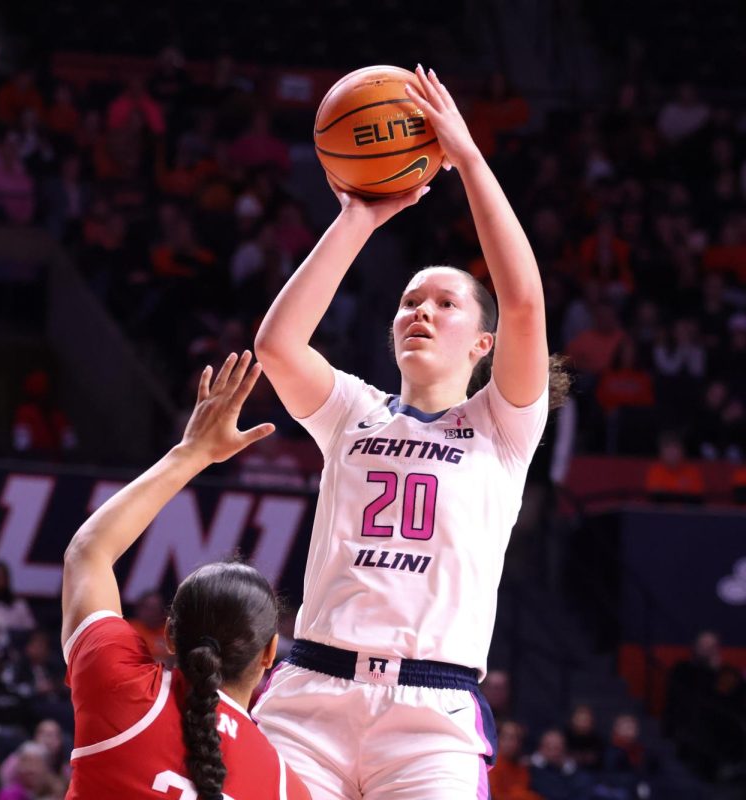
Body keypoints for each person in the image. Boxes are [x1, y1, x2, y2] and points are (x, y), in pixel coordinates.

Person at [251, 66, 567, 799]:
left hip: (431, 714)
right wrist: (357, 218)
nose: (420, 311)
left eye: (445, 303)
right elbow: (277, 347)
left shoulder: (501, 426)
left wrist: (469, 156)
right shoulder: (353, 411)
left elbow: (522, 303)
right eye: (408, 300)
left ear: (482, 345)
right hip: (311, 696)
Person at [61, 350, 309, 799]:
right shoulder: (286, 788)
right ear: (269, 653)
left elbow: (88, 552)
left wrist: (191, 453)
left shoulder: (120, 687)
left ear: (170, 635)